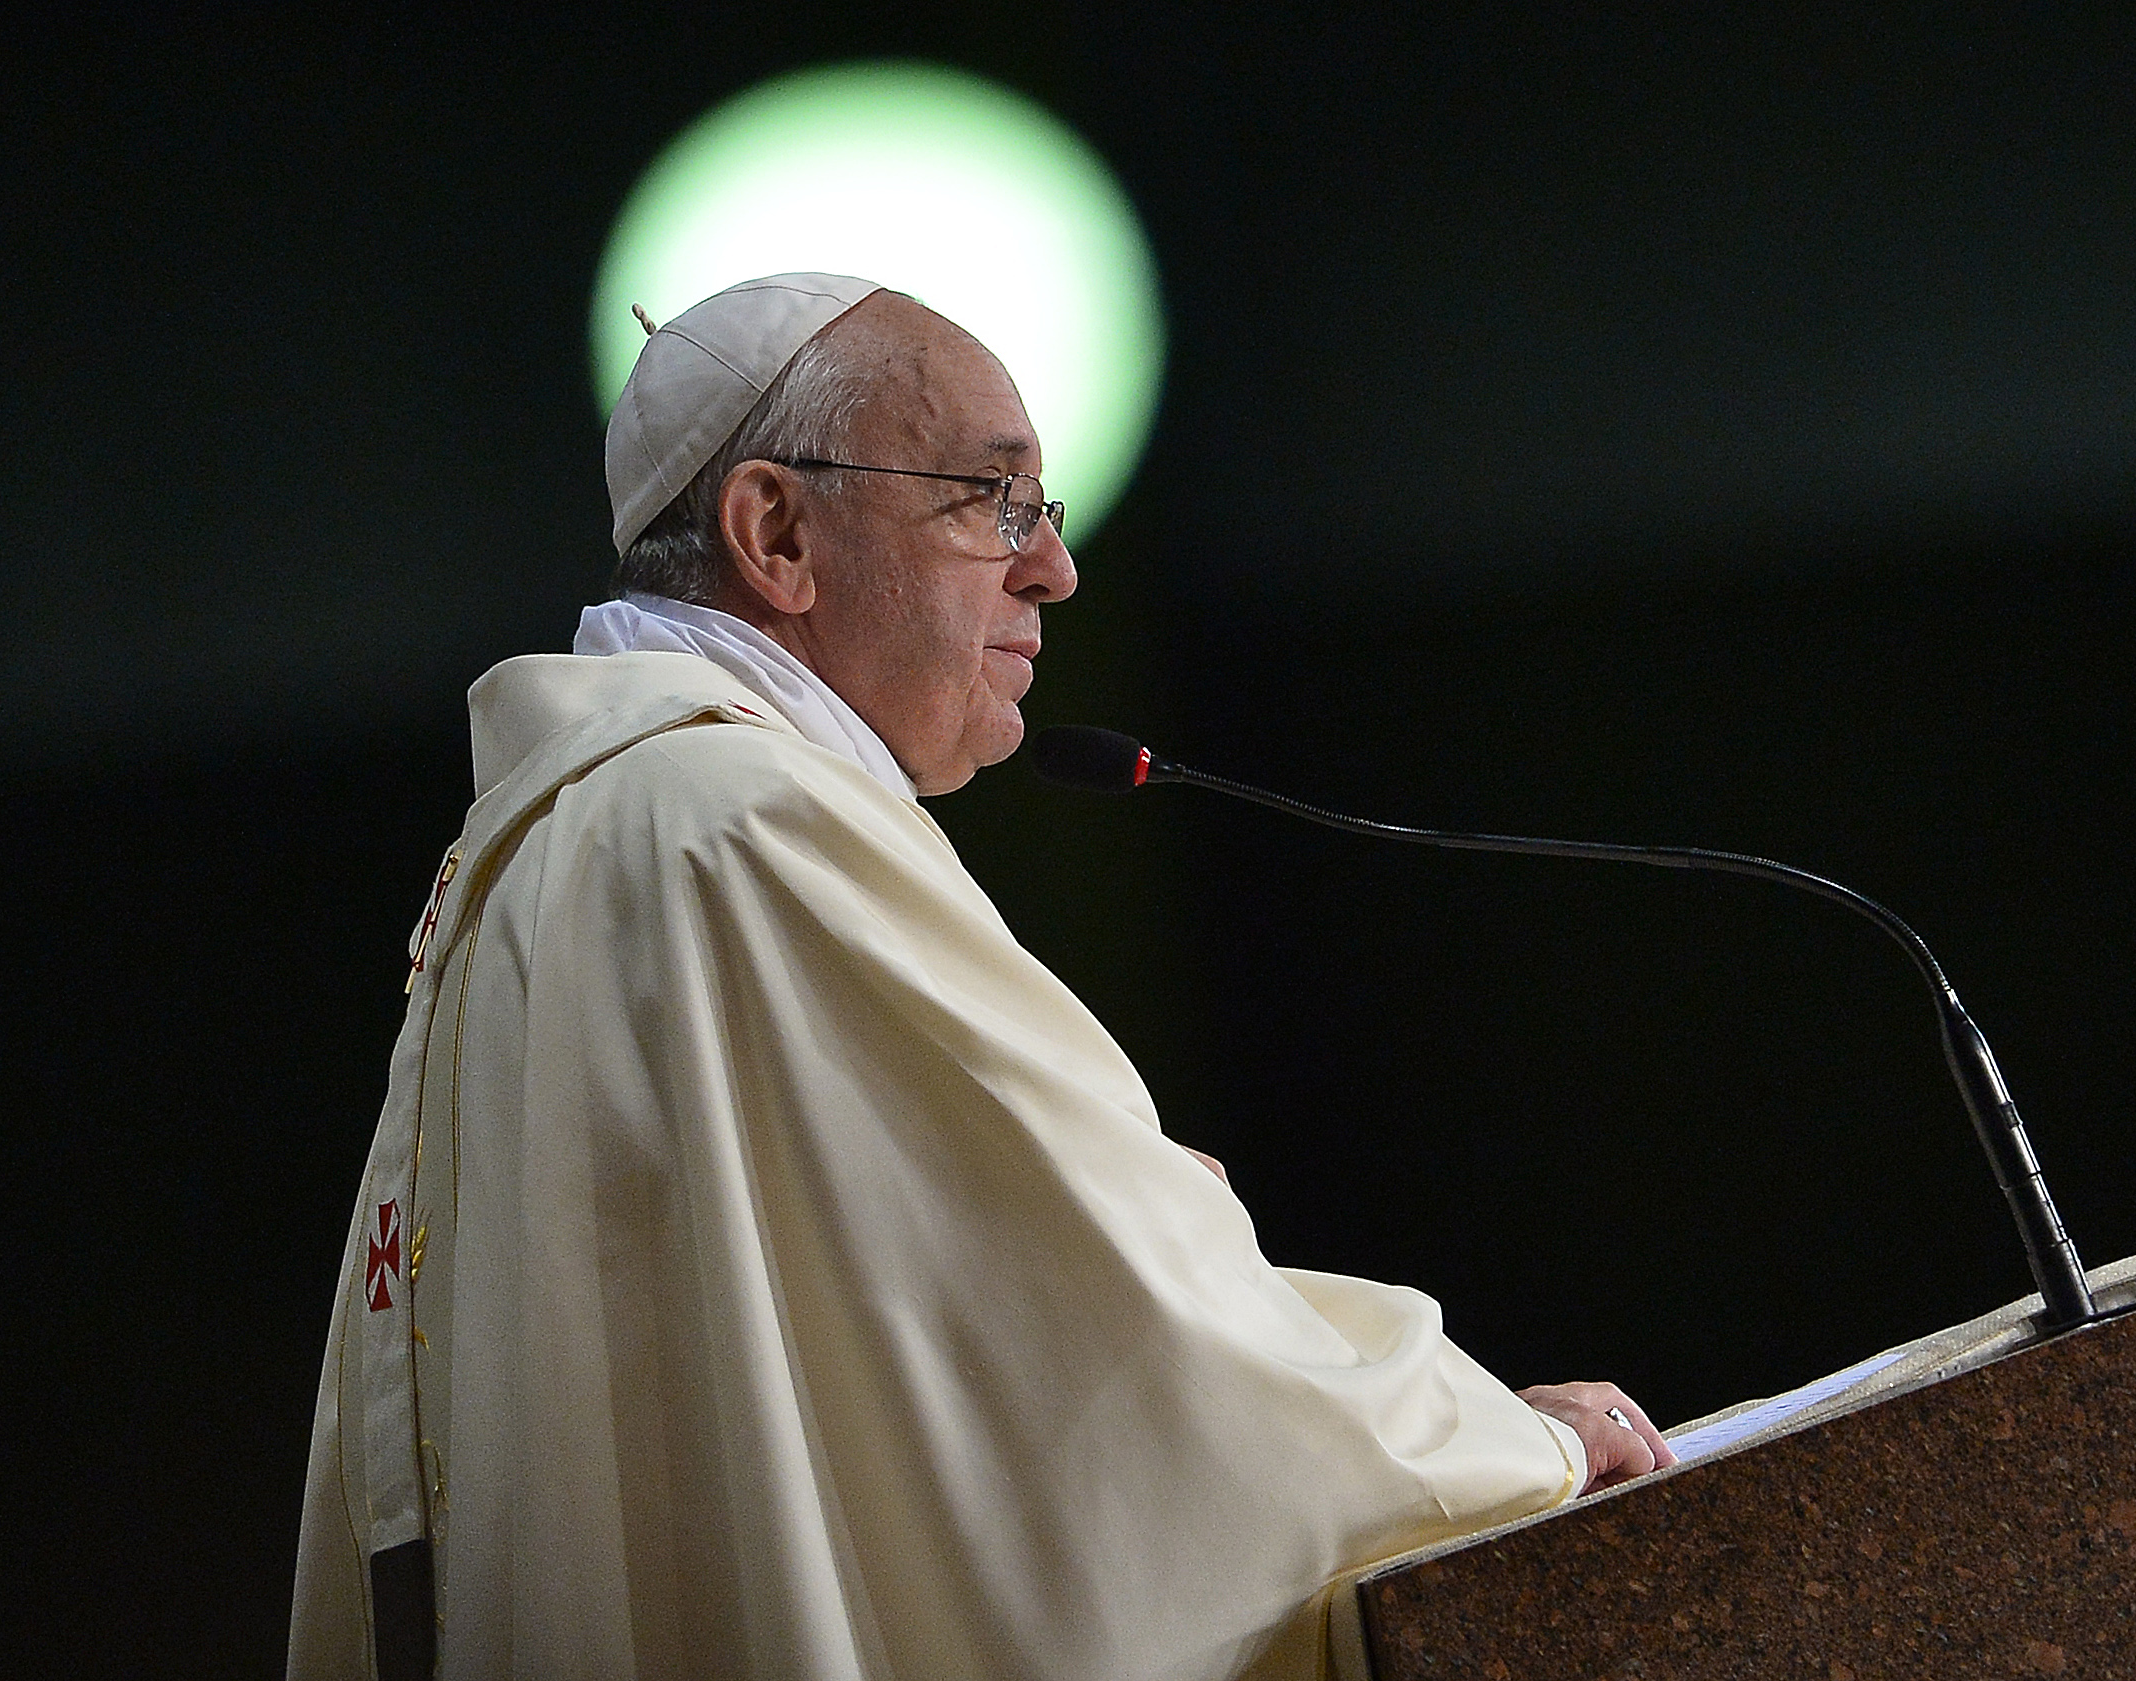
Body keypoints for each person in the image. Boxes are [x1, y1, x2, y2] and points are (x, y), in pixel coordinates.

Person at [287, 274, 1671, 1681]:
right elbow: (1096, 1328)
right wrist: (1493, 1447)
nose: (1053, 567)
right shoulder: (745, 824)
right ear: (777, 533)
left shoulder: (551, 849)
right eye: (991, 499)